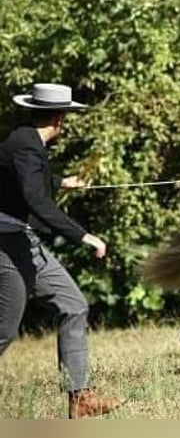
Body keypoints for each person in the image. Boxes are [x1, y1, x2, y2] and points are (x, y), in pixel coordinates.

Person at [0, 83, 120, 419]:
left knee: (73, 304)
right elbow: (34, 200)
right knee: (4, 332)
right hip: (7, 245)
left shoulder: (26, 141)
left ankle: (80, 397)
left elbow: (28, 181)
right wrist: (84, 237)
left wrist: (62, 182)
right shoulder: (24, 145)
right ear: (60, 117)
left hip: (24, 242)